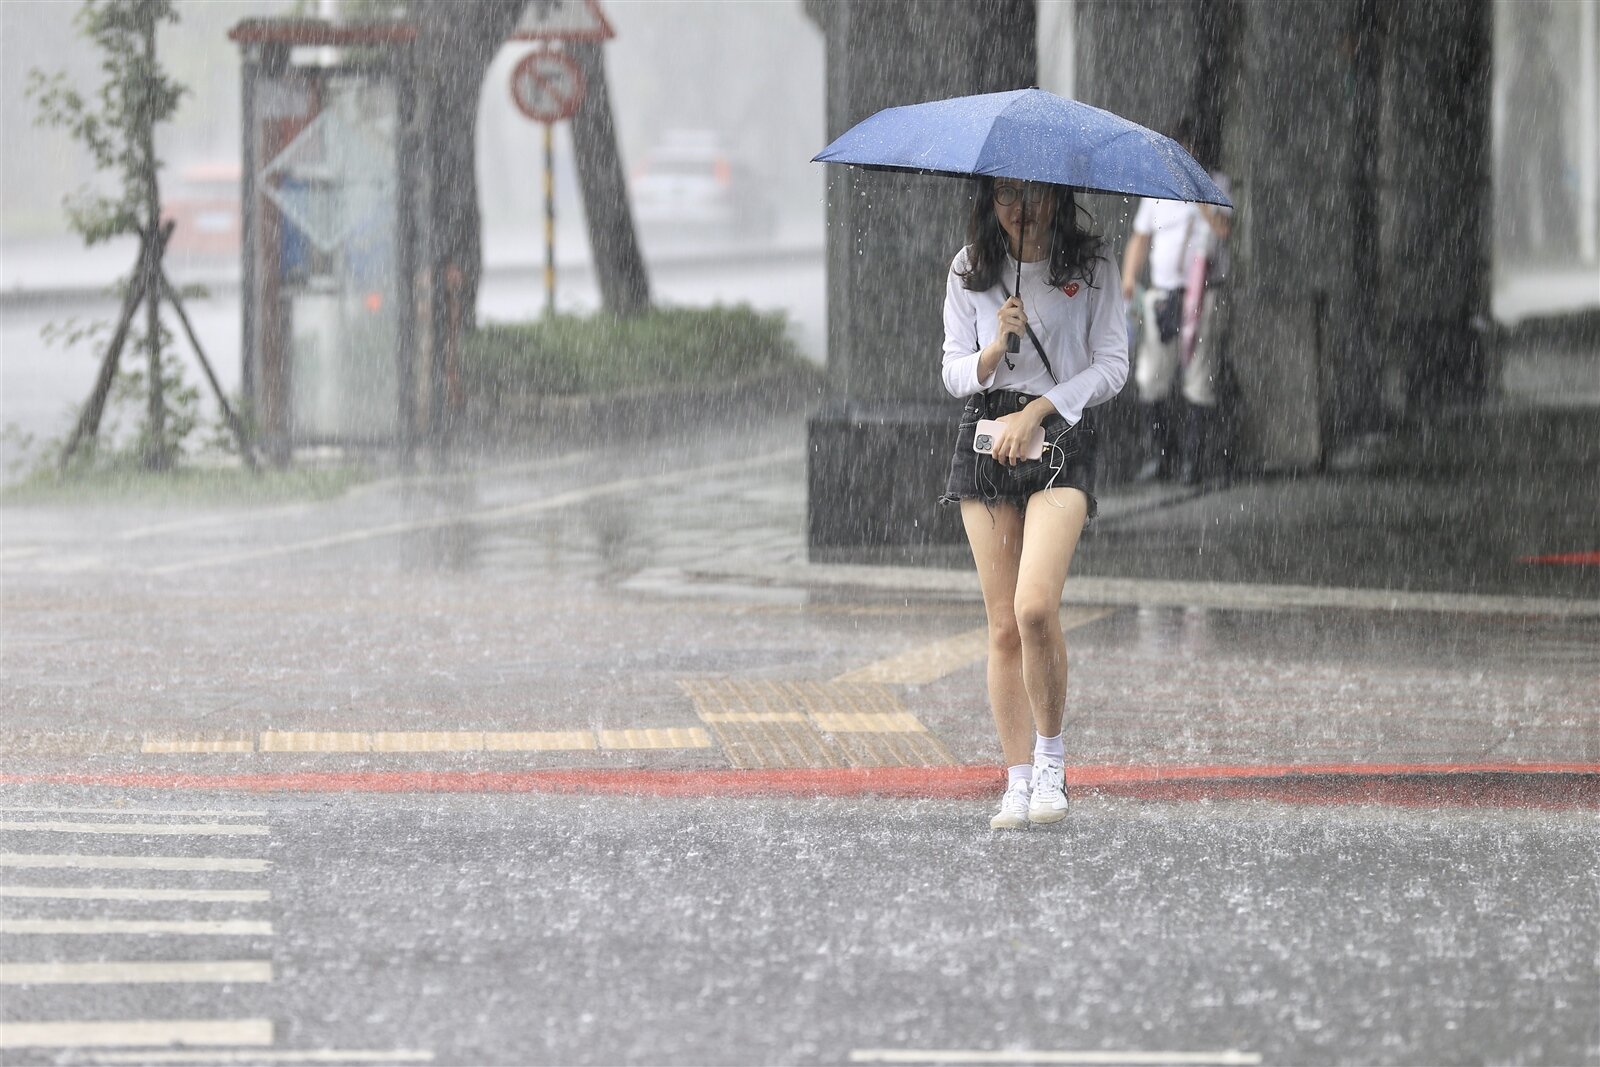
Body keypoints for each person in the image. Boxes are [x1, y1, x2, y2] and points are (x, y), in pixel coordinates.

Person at [939, 176, 1128, 829]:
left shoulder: (1093, 265)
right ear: (990, 203)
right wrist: (994, 347)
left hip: (1061, 436)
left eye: (1035, 196)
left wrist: (1042, 408)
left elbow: (1113, 365)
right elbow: (953, 369)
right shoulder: (970, 268)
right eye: (1006, 198)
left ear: (1058, 198)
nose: (1021, 211)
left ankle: (1052, 760)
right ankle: (1016, 779)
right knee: (1000, 624)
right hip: (988, 440)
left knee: (1035, 608)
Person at [1119, 121, 1233, 485]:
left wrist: (1198, 193)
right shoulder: (1155, 190)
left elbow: (1223, 229)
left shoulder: (1218, 184)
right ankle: (1160, 454)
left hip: (1203, 295)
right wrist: (1128, 279)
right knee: (1151, 376)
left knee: (1199, 379)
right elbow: (1140, 237)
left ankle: (1194, 461)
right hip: (1162, 295)